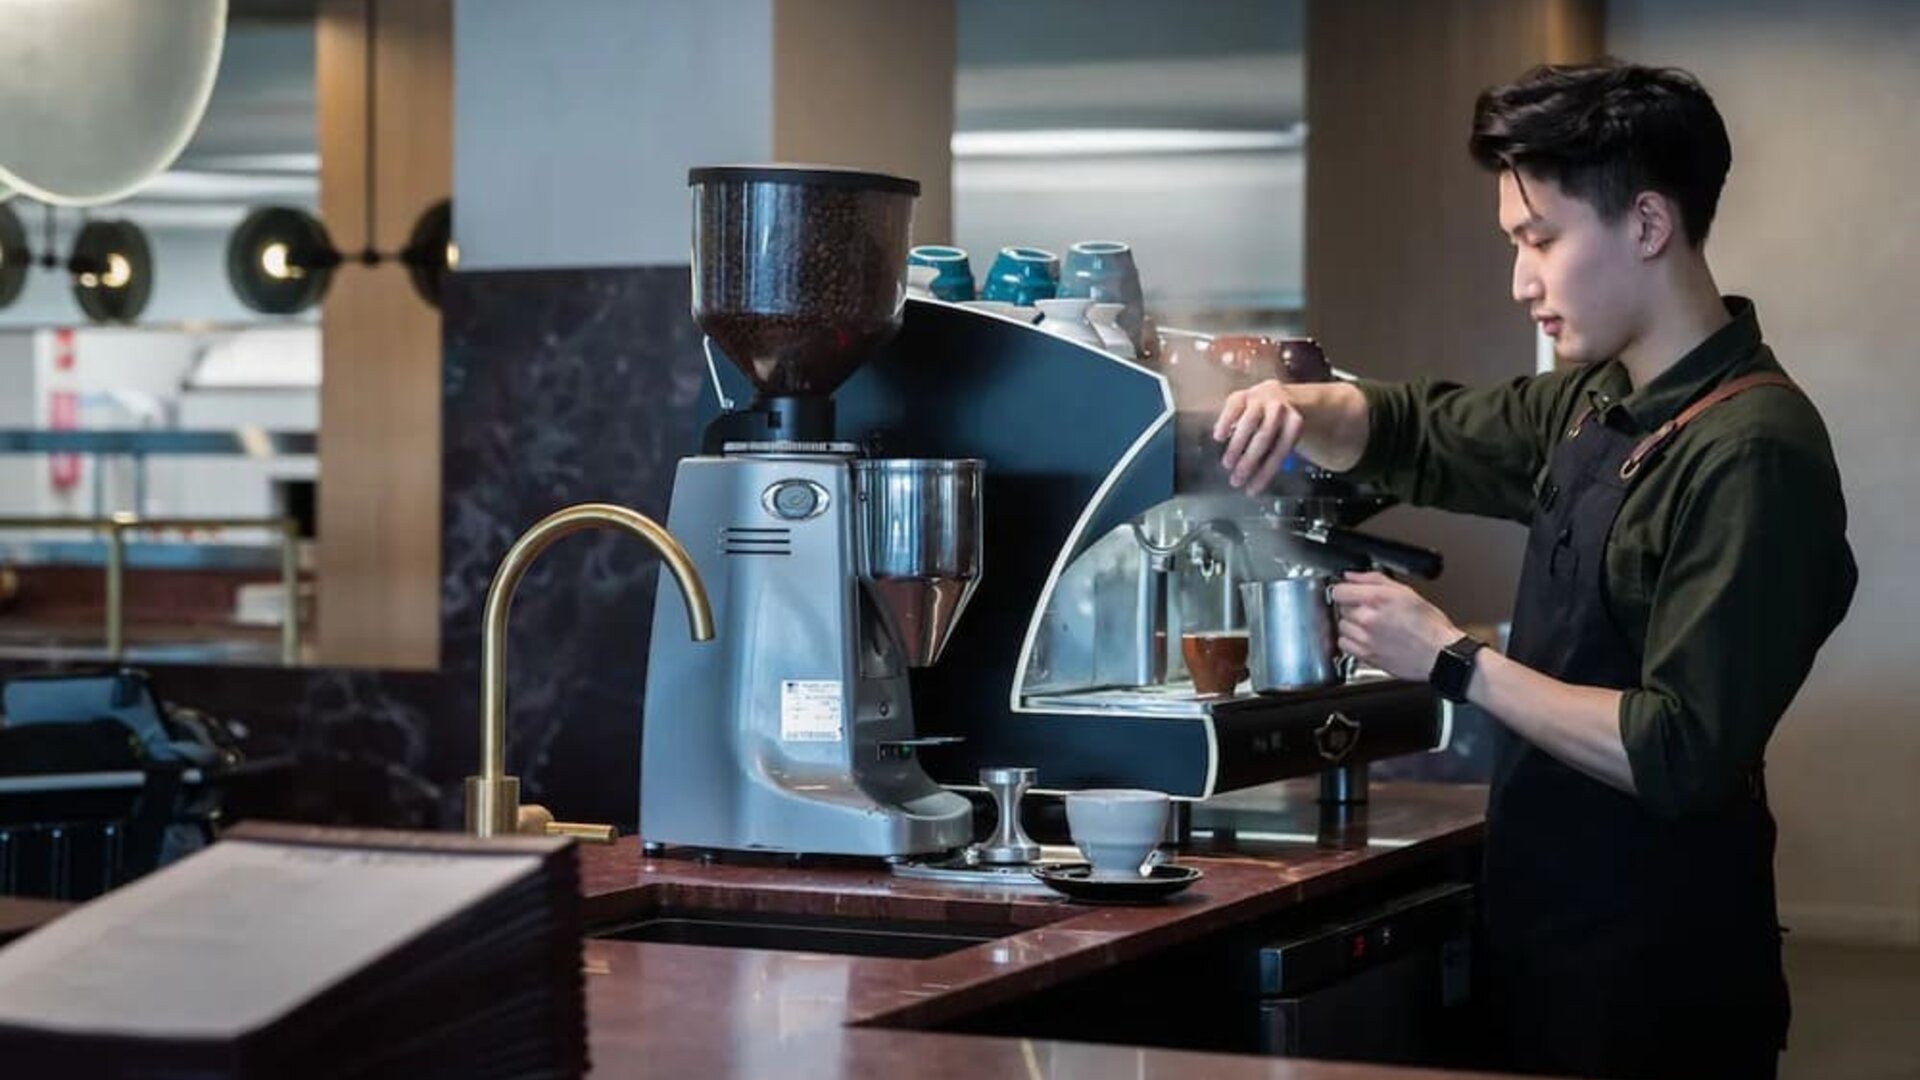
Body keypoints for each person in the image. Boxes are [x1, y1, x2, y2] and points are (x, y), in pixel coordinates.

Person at [1213, 60, 1856, 1079]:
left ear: (1647, 224)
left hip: (1663, 983)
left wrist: (1451, 658)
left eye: (1539, 240)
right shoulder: (1594, 403)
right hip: (1545, 944)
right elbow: (1423, 427)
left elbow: (1676, 750)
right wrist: (1299, 409)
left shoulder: (1753, 450)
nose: (1521, 282)